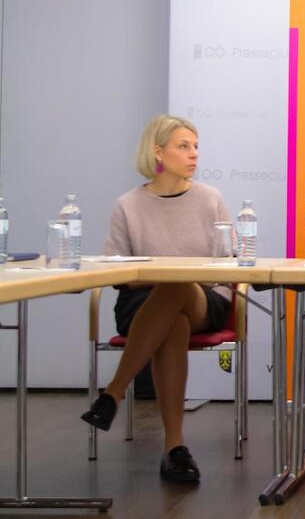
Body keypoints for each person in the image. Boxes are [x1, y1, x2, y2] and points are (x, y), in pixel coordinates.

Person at [81, 115, 232, 483]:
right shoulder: (128, 205)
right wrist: (157, 277)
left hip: (204, 298)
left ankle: (112, 394)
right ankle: (174, 448)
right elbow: (115, 272)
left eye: (196, 146)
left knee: (176, 284)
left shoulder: (211, 199)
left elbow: (228, 267)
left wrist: (173, 276)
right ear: (158, 152)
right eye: (184, 146)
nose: (194, 154)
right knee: (172, 314)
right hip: (141, 302)